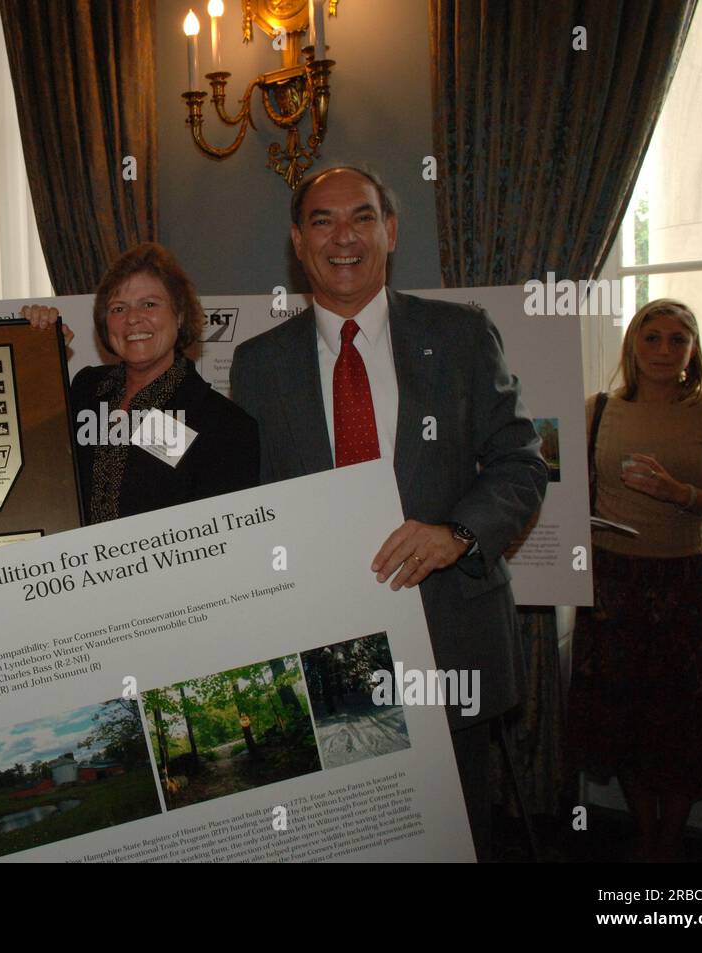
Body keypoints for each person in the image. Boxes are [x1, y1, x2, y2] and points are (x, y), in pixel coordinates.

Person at [229, 164, 547, 860]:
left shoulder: (461, 335)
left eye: (363, 217)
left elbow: (522, 461)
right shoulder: (257, 365)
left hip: (448, 633)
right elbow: (248, 507)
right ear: (297, 240)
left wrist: (458, 534)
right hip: (323, 644)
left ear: (390, 230)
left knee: (452, 832)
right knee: (344, 838)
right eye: (322, 220)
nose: (344, 236)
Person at [569, 298, 702, 862]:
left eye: (678, 340)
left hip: (686, 588)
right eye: (653, 338)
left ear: (693, 351)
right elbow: (563, 486)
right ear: (633, 345)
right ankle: (645, 837)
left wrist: (680, 494)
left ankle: (667, 844)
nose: (664, 350)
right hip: (612, 584)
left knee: (683, 727)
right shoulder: (596, 409)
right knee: (626, 722)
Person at [24, 242, 259, 522]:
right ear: (104, 322)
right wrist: (34, 353)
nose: (133, 319)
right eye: (118, 308)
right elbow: (35, 464)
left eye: (149, 304)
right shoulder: (85, 391)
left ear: (180, 315)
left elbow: (224, 541)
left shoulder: (223, 426)